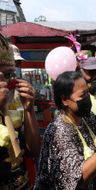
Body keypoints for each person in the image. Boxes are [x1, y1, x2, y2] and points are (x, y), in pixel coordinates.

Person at [0, 34, 40, 189]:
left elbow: (34, 149)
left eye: (11, 74)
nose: (9, 82)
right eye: (3, 75)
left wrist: (29, 109)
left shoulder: (16, 94)